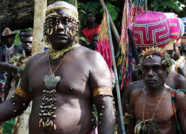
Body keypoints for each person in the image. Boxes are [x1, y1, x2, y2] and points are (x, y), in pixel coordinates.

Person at [0, 1, 115, 134]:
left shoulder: (92, 59)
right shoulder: (34, 62)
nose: (59, 27)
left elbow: (105, 109)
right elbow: (16, 104)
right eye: (53, 21)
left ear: (76, 26)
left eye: (66, 21)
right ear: (45, 27)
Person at [127, 47, 186, 134]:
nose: (150, 73)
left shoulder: (176, 97)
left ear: (166, 72)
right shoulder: (136, 95)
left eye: (156, 68)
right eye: (146, 68)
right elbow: (130, 128)